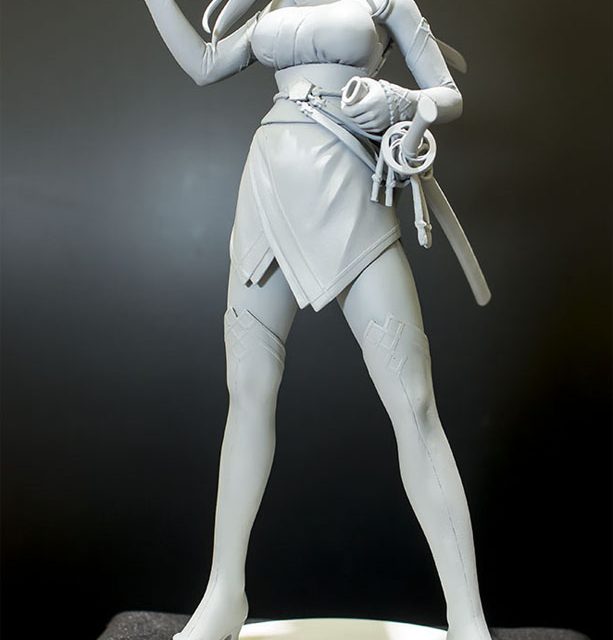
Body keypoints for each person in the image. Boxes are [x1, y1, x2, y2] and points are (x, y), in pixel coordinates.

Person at [142, 0, 492, 638]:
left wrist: (400, 100)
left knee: (413, 401)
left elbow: (447, 93)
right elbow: (204, 64)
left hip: (351, 179)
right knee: (247, 391)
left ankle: (467, 617)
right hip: (269, 184)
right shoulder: (270, 6)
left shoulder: (386, 2)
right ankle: (223, 593)